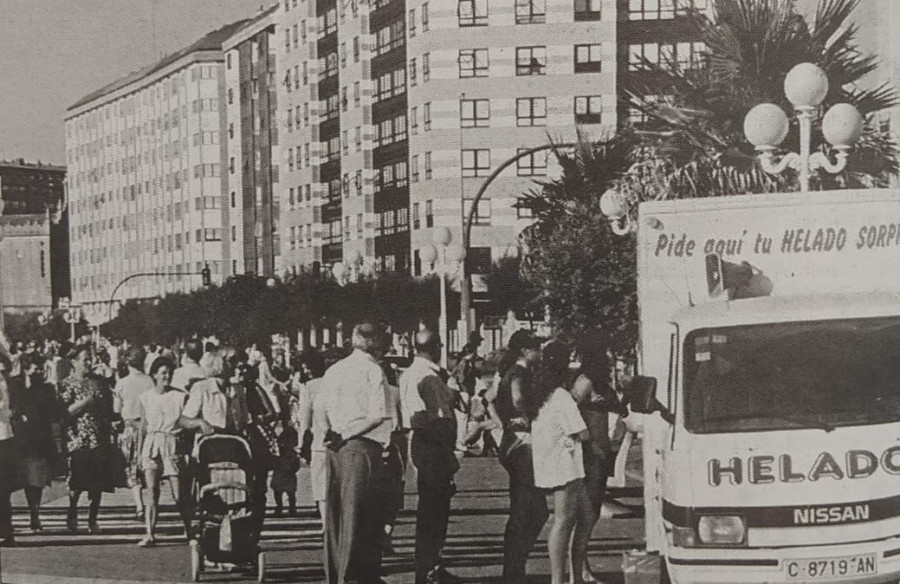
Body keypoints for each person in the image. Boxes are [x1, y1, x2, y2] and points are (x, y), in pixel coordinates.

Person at [320, 322, 393, 584]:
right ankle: (357, 578)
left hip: (336, 449)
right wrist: (349, 433)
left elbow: (322, 410)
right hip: (362, 447)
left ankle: (337, 576)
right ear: (375, 344)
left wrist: (332, 434)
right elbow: (378, 415)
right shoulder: (373, 370)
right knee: (363, 518)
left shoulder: (334, 370)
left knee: (337, 518)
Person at [526, 341, 592, 584]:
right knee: (563, 521)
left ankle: (576, 575)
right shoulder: (562, 396)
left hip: (559, 463)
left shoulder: (542, 393)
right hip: (564, 465)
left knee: (586, 517)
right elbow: (582, 432)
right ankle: (558, 579)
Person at [400, 329, 461, 584]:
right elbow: (427, 418)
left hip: (424, 446)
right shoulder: (428, 377)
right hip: (433, 446)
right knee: (435, 511)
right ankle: (428, 570)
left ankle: (431, 565)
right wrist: (448, 448)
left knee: (431, 509)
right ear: (435, 347)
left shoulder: (413, 374)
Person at [569, 331, 626, 582]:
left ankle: (581, 568)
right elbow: (568, 409)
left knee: (589, 515)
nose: (611, 358)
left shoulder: (602, 383)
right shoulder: (585, 381)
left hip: (601, 451)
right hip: (589, 452)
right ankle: (578, 571)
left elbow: (620, 408)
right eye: (606, 353)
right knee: (585, 515)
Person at [495, 330, 546, 584]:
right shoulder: (519, 373)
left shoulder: (513, 372)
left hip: (514, 444)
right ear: (525, 350)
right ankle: (514, 570)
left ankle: (515, 568)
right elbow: (517, 398)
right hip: (523, 444)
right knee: (529, 510)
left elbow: (492, 400)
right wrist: (530, 416)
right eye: (536, 346)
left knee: (528, 509)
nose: (540, 350)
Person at [59, 343, 117, 534]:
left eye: (90, 359)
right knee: (77, 482)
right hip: (78, 439)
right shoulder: (66, 384)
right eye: (85, 359)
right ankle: (73, 511)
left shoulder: (99, 382)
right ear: (74, 362)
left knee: (97, 482)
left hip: (99, 437)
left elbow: (109, 408)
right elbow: (64, 413)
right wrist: (84, 403)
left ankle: (93, 519)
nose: (89, 362)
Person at [137, 356, 190, 547]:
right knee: (151, 491)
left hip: (172, 442)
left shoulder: (180, 396)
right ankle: (150, 533)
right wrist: (138, 454)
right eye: (163, 373)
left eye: (170, 373)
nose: (167, 377)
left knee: (179, 493)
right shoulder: (145, 397)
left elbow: (186, 423)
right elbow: (142, 427)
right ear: (154, 375)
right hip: (151, 444)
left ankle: (190, 530)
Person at [9, 355, 60, 534]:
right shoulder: (14, 385)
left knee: (35, 481)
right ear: (25, 369)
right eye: (35, 368)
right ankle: (8, 520)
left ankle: (34, 513)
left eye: (41, 368)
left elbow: (54, 412)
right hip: (15, 440)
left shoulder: (47, 389)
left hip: (38, 441)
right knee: (12, 481)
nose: (39, 372)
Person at [113, 346, 155, 521]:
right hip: (147, 428)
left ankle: (139, 505)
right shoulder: (150, 381)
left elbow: (116, 409)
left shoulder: (121, 384)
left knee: (130, 468)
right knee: (146, 466)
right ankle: (151, 503)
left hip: (129, 428)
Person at [298, 349, 328, 525]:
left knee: (320, 485)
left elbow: (305, 419)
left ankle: (325, 523)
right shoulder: (334, 382)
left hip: (319, 442)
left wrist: (302, 444)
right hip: (340, 439)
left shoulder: (308, 388)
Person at [0, 356, 18, 546]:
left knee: (3, 490)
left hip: (4, 437)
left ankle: (5, 531)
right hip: (5, 435)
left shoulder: (10, 385)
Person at [271, 425, 300, 516]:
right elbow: (296, 466)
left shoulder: (279, 453)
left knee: (278, 493)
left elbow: (273, 462)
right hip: (289, 475)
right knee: (291, 494)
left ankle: (279, 507)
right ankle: (292, 508)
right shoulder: (293, 454)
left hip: (280, 474)